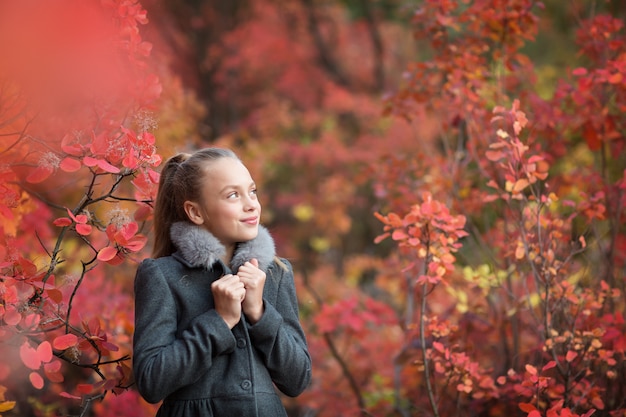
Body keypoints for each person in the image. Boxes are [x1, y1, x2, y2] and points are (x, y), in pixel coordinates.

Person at [132, 148, 312, 416]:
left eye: (252, 191)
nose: (251, 204)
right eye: (233, 195)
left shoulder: (276, 273)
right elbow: (151, 382)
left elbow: (297, 380)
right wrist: (219, 321)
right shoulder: (162, 275)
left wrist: (259, 314)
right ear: (195, 212)